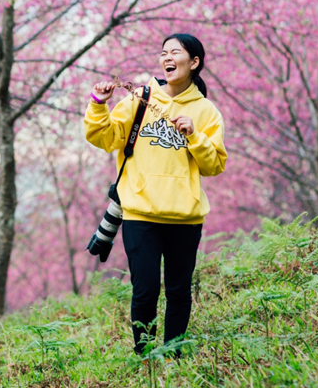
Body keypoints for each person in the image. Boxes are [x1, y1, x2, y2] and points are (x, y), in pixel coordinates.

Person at [83, 33, 227, 356]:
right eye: (163, 52)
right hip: (140, 214)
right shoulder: (140, 99)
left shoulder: (206, 112)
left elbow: (215, 164)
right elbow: (106, 138)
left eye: (175, 52)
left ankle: (174, 355)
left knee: (178, 291)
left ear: (194, 63)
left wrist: (194, 134)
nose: (167, 57)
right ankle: (145, 356)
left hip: (185, 218)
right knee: (145, 290)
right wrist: (98, 104)